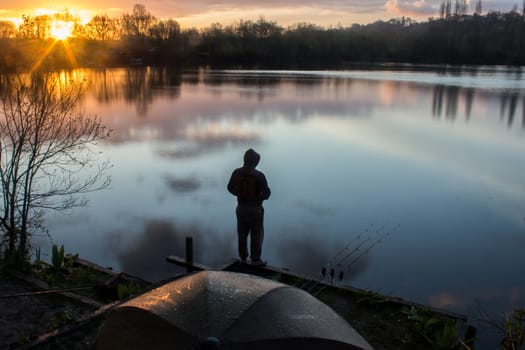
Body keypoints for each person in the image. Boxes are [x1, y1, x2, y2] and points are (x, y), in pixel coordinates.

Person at [227, 149, 271, 266]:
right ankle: (255, 260)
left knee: (242, 234)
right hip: (255, 209)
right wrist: (260, 197)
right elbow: (267, 194)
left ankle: (243, 258)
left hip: (241, 208)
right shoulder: (259, 176)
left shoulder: (237, 172)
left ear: (245, 159)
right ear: (255, 162)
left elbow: (230, 188)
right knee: (256, 234)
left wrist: (239, 193)